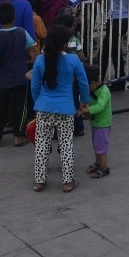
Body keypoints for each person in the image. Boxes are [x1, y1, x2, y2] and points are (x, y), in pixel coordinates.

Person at [31, 24, 90, 192]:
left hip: (43, 108)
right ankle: (67, 181)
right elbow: (83, 83)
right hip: (65, 109)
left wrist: (38, 103)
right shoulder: (73, 60)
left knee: (42, 144)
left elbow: (34, 86)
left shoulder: (40, 60)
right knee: (66, 145)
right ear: (65, 44)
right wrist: (84, 102)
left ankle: (39, 181)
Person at [0, 2, 35, 148]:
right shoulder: (22, 32)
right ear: (14, 16)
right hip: (20, 75)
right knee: (20, 106)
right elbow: (30, 48)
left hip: (2, 76)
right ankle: (18, 135)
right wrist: (27, 56)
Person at [85, 71, 112, 179]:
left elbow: (100, 106)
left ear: (93, 83)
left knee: (102, 147)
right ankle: (98, 163)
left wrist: (87, 110)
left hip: (103, 124)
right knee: (96, 145)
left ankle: (104, 168)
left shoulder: (104, 91)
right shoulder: (95, 89)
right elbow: (91, 101)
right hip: (95, 122)